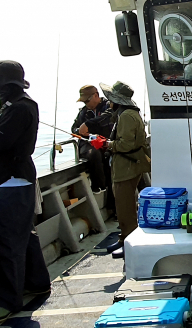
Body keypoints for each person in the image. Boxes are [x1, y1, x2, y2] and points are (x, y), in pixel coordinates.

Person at [0, 61, 51, 325]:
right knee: (25, 236)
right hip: (16, 182)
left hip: (9, 183)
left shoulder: (17, 108)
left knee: (9, 244)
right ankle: (38, 282)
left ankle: (9, 302)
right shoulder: (20, 104)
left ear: (2, 84)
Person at [98, 81, 150, 259]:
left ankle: (129, 242)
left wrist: (106, 144)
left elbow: (126, 144)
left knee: (125, 207)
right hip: (128, 165)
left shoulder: (126, 115)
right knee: (124, 204)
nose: (108, 102)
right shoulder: (127, 113)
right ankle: (123, 239)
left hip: (126, 166)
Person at [71, 85, 114, 196]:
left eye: (87, 101)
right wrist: (81, 131)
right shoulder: (83, 112)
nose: (86, 104)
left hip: (108, 143)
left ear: (96, 95)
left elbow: (108, 116)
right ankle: (99, 185)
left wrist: (88, 124)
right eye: (84, 102)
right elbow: (73, 128)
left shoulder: (108, 106)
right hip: (90, 144)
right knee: (93, 154)